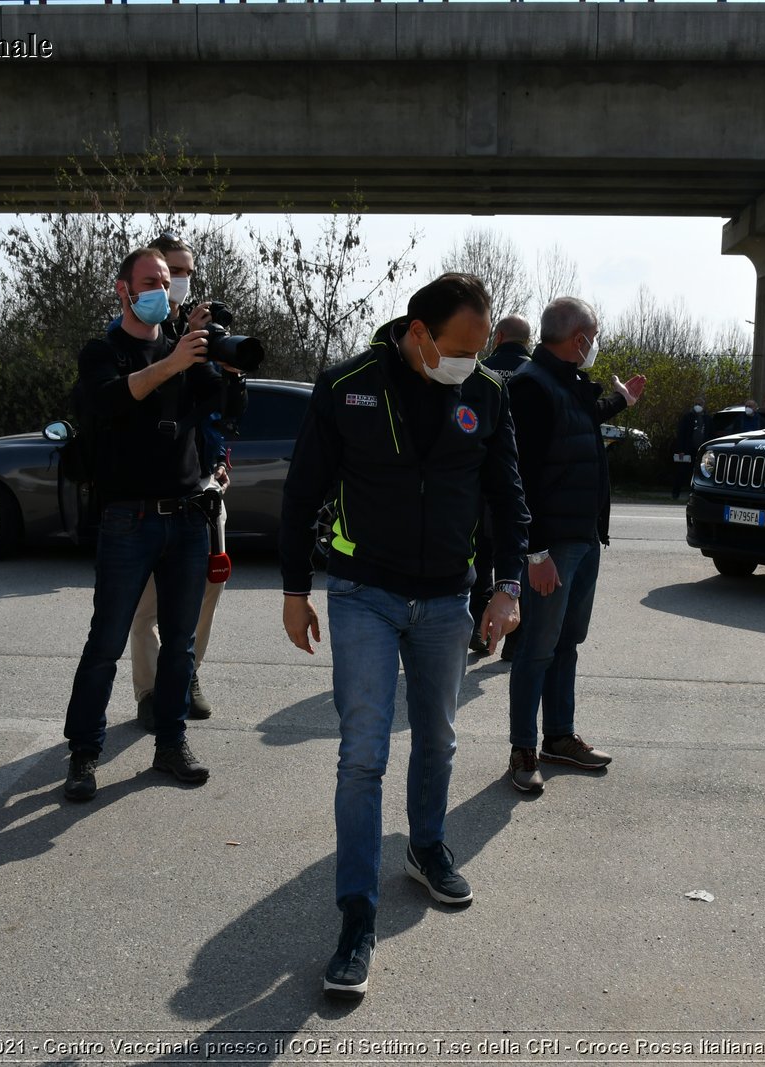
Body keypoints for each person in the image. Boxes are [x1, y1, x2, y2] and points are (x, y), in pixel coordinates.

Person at [278, 273, 528, 999]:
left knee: (441, 738)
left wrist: (507, 585)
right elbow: (301, 494)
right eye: (458, 349)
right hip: (364, 594)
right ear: (418, 331)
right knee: (362, 753)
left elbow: (508, 497)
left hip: (448, 596)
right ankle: (357, 915)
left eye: (479, 351)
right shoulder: (347, 385)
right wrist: (295, 593)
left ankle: (426, 846)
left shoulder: (487, 392)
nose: (469, 364)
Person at [60, 246, 246, 803]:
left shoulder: (184, 350)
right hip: (127, 518)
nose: (161, 291)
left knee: (180, 645)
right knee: (106, 642)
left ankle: (171, 743)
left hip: (187, 518)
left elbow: (226, 410)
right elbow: (111, 401)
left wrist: (225, 365)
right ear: (122, 289)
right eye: (150, 281)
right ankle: (84, 754)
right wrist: (175, 361)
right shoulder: (104, 351)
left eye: (166, 281)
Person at [505, 297, 645, 793]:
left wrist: (623, 400)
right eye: (595, 335)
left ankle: (559, 737)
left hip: (584, 539)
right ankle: (523, 749)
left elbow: (583, 420)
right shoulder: (530, 386)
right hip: (553, 547)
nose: (596, 344)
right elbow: (518, 475)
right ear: (578, 339)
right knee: (537, 648)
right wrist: (536, 551)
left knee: (567, 643)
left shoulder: (571, 383)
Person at [126, 232, 229, 727]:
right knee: (146, 603)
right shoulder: (137, 338)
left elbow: (216, 412)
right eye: (172, 272)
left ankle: (186, 673)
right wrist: (178, 349)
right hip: (154, 494)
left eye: (186, 272)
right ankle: (150, 690)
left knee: (207, 593)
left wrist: (222, 458)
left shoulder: (200, 338)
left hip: (206, 486)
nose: (179, 281)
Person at [469, 314, 531, 655]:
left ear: (499, 336)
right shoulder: (537, 374)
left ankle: (480, 633)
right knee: (514, 562)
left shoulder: (482, 374)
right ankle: (513, 642)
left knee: (480, 562)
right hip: (520, 485)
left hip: (479, 487)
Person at [672, 401, 709, 499]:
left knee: (700, 473)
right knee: (681, 471)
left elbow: (710, 434)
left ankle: (695, 494)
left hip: (701, 450)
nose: (698, 406)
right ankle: (675, 493)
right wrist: (680, 449)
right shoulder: (687, 417)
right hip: (687, 449)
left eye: (700, 404)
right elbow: (681, 434)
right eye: (696, 404)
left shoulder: (707, 419)